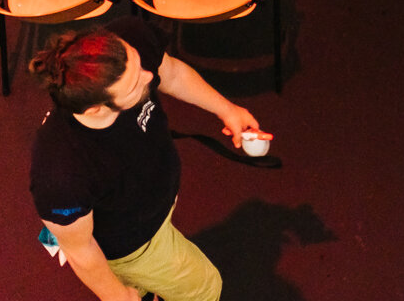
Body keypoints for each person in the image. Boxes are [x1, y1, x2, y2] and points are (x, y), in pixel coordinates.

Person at [29, 19, 260, 301]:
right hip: (134, 245)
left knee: (137, 283)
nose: (149, 77)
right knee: (205, 288)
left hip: (151, 204)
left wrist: (227, 110)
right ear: (95, 109)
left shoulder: (128, 43)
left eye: (139, 64)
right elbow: (80, 249)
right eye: (134, 85)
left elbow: (172, 74)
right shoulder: (61, 175)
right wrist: (118, 298)